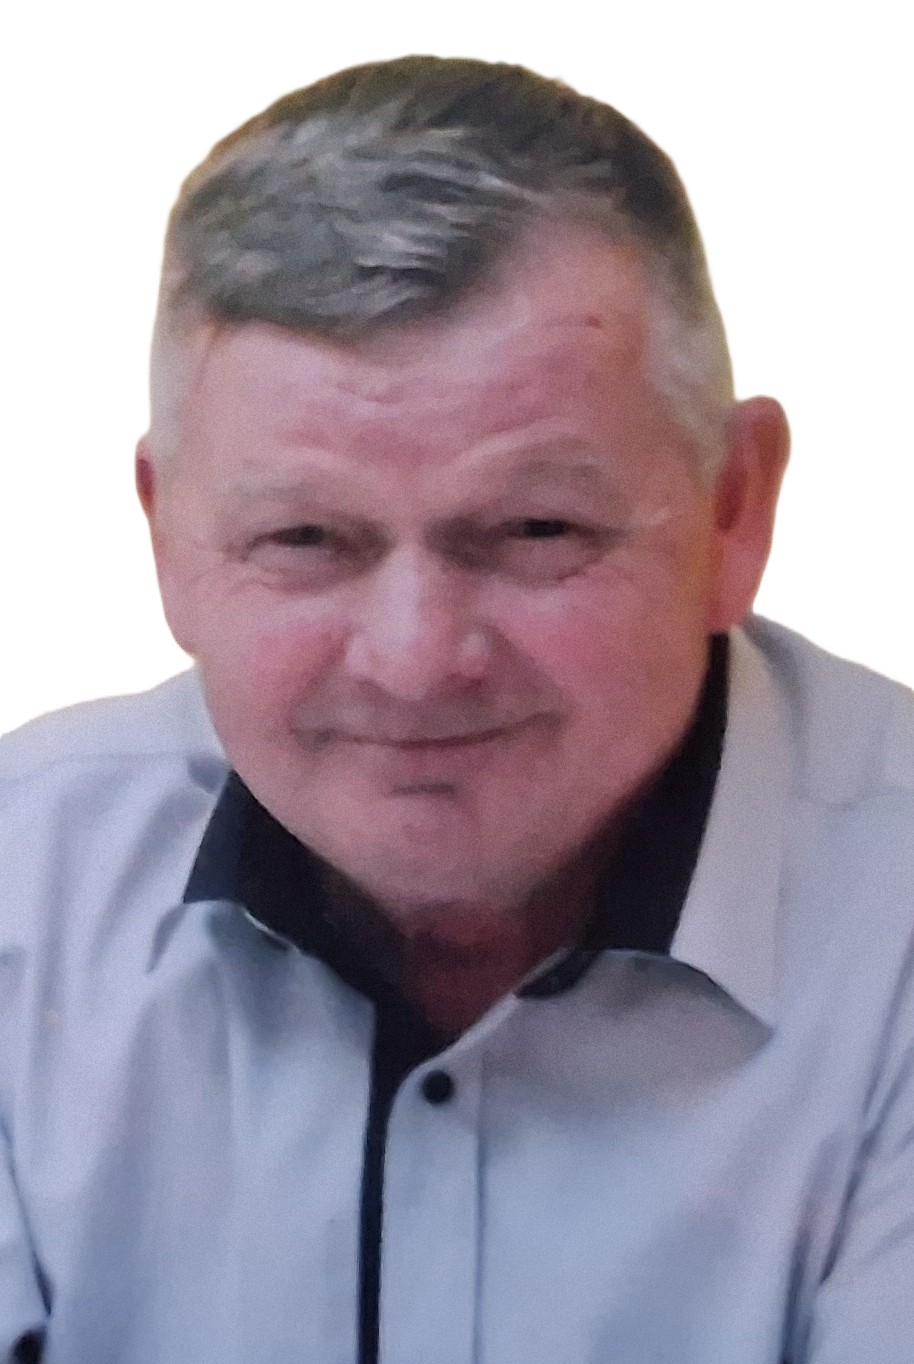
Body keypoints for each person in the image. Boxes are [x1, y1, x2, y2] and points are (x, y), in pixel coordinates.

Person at [1, 53, 912, 1364]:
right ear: (165, 538)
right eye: (306, 539)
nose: (417, 662)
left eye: (536, 530)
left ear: (732, 508)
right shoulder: (20, 894)